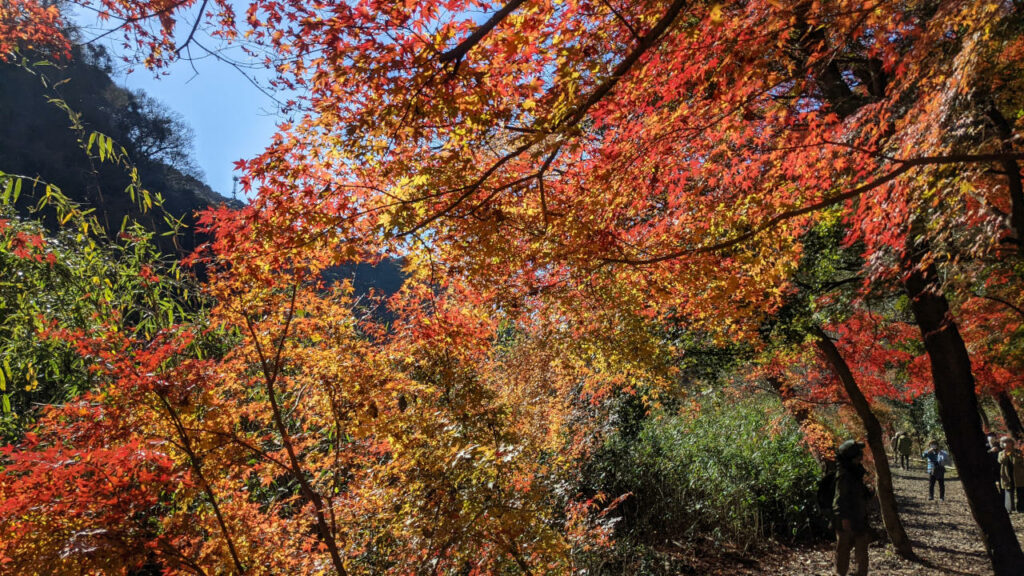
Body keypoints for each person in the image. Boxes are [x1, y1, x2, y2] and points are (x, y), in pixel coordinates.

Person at [833, 440, 873, 576]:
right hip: (847, 518)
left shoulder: (856, 471)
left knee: (862, 550)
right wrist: (844, 519)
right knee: (843, 549)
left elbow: (860, 494)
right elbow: (840, 498)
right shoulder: (844, 475)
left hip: (859, 516)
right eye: (858, 453)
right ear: (852, 456)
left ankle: (860, 574)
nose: (861, 456)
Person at [997, 436, 1024, 513]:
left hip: (1019, 476)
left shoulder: (1018, 452)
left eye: (1008, 442)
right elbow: (1001, 461)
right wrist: (1006, 454)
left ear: (1011, 443)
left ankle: (1021, 508)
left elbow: (1021, 462)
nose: (1007, 444)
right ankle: (1009, 508)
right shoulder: (1001, 453)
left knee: (1021, 492)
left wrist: (1017, 457)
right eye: (1004, 442)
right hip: (1007, 475)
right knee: (1008, 491)